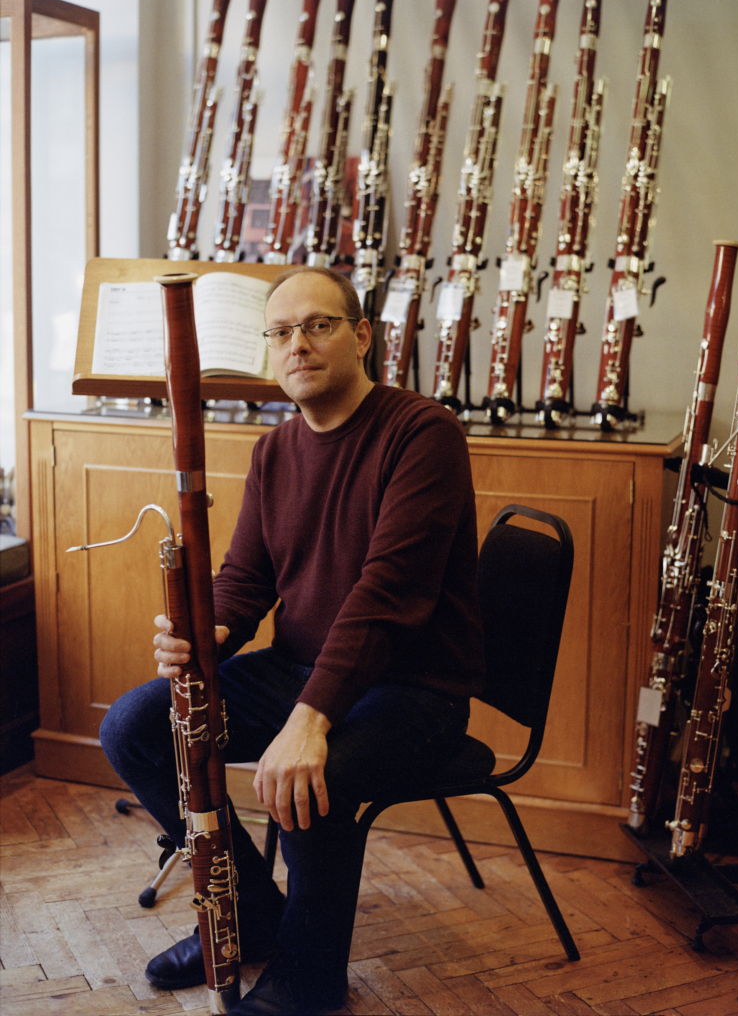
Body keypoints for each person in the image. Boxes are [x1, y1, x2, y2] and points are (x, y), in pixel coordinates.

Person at [100, 266, 484, 1015]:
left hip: (413, 686)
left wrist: (308, 719)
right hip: (301, 667)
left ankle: (310, 977)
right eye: (280, 332)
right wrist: (204, 634)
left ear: (361, 334)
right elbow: (246, 578)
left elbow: (386, 595)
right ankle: (251, 913)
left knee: (317, 774)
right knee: (137, 727)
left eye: (318, 325)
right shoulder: (276, 452)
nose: (297, 344)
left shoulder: (422, 432)